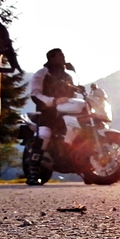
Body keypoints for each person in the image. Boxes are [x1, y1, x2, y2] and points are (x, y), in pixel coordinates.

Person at [26, 48, 77, 184]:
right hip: (47, 113)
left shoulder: (67, 76)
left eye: (63, 55)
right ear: (51, 58)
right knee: (44, 135)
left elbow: (73, 93)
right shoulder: (42, 73)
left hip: (66, 112)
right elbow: (35, 94)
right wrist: (53, 101)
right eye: (60, 56)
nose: (63, 57)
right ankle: (33, 172)